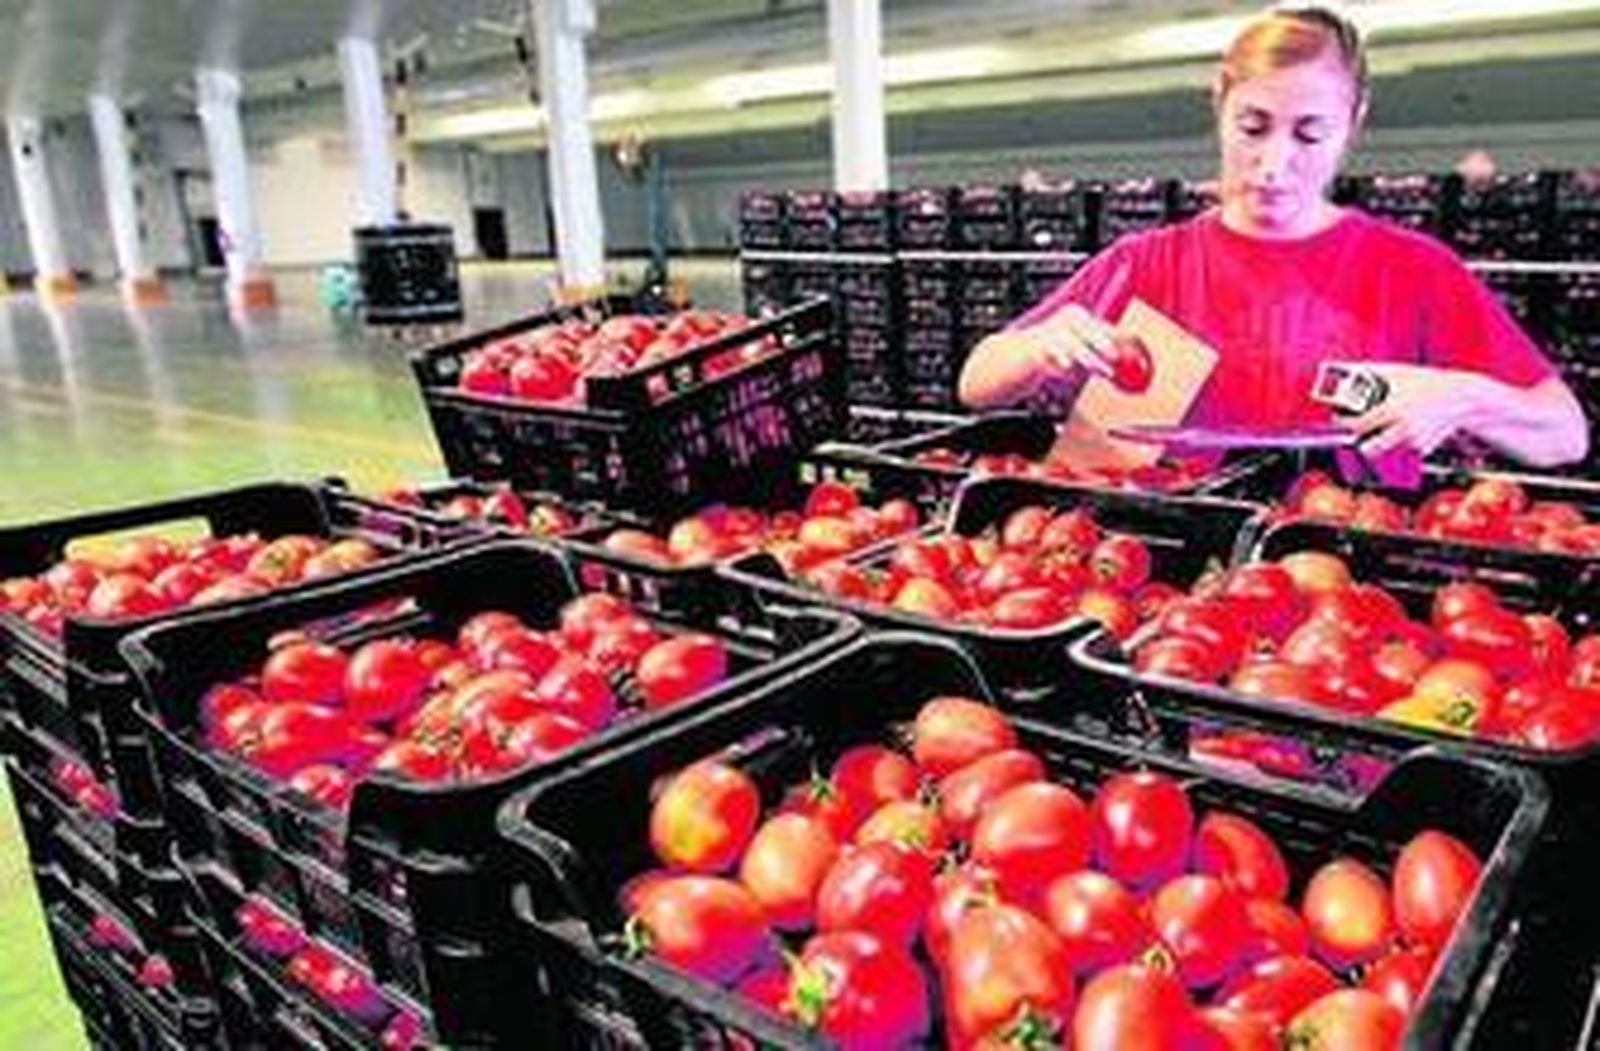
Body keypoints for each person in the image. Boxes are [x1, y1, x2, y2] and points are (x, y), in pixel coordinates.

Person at [959, 4, 1589, 469]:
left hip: (1349, 599)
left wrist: (1467, 396)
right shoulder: (1145, 263)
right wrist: (1039, 346)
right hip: (1164, 597)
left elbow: (1566, 433)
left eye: (1310, 135)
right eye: (1253, 127)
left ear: (1353, 123)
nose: (1273, 164)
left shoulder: (1413, 270)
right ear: (1220, 105)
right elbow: (976, 382)